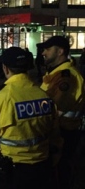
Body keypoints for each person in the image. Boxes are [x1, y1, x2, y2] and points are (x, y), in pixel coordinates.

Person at [0, 47, 62, 189]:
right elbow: (55, 132)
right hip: (43, 166)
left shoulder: (0, 98)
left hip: (13, 171)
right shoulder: (43, 95)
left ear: (5, 68)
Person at [39, 35, 85, 189]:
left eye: (47, 49)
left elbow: (55, 108)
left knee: (60, 176)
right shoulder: (57, 73)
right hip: (60, 132)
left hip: (64, 134)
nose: (43, 53)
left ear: (60, 51)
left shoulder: (67, 77)